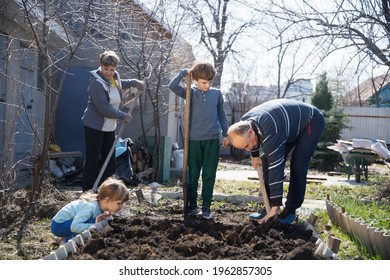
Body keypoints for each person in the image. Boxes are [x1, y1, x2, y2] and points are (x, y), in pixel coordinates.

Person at [227, 99, 325, 224]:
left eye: (246, 146)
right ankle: (268, 207)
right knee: (266, 162)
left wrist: (276, 207)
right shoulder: (245, 121)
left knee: (298, 164)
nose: (247, 149)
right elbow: (255, 141)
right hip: (286, 126)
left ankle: (290, 210)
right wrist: (255, 155)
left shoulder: (270, 131)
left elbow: (276, 168)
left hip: (310, 122)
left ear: (250, 132)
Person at [169, 61, 229, 219]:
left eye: (210, 82)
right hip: (193, 140)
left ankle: (206, 207)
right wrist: (183, 73)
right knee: (193, 174)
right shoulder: (189, 92)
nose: (207, 85)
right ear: (195, 79)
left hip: (211, 140)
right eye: (204, 82)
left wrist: (226, 133)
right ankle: (192, 205)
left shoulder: (216, 94)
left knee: (209, 174)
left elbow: (222, 114)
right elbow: (172, 86)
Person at [81, 50, 145, 192]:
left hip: (109, 127)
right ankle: (86, 193)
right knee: (92, 161)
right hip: (94, 127)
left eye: (112, 69)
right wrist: (123, 115)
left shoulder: (114, 78)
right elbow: (104, 108)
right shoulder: (96, 83)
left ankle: (106, 193)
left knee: (110, 162)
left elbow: (119, 84)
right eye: (105, 69)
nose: (108, 72)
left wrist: (135, 82)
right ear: (100, 66)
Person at [51, 176, 130, 243]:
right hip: (59, 225)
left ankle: (67, 236)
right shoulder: (91, 207)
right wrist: (96, 227)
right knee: (93, 223)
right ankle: (66, 242)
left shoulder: (100, 206)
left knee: (96, 222)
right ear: (107, 200)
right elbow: (74, 226)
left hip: (68, 223)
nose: (121, 206)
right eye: (119, 203)